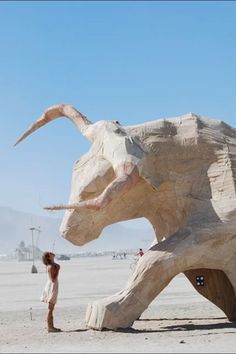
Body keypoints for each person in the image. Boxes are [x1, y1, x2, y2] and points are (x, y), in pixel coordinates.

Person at [40, 251, 61, 333]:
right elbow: (53, 279)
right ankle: (50, 327)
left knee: (51, 308)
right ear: (49, 257)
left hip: (53, 285)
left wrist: (57, 267)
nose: (52, 253)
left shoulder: (52, 265)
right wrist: (58, 270)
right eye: (50, 253)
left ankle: (51, 327)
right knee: (50, 308)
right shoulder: (51, 266)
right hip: (52, 286)